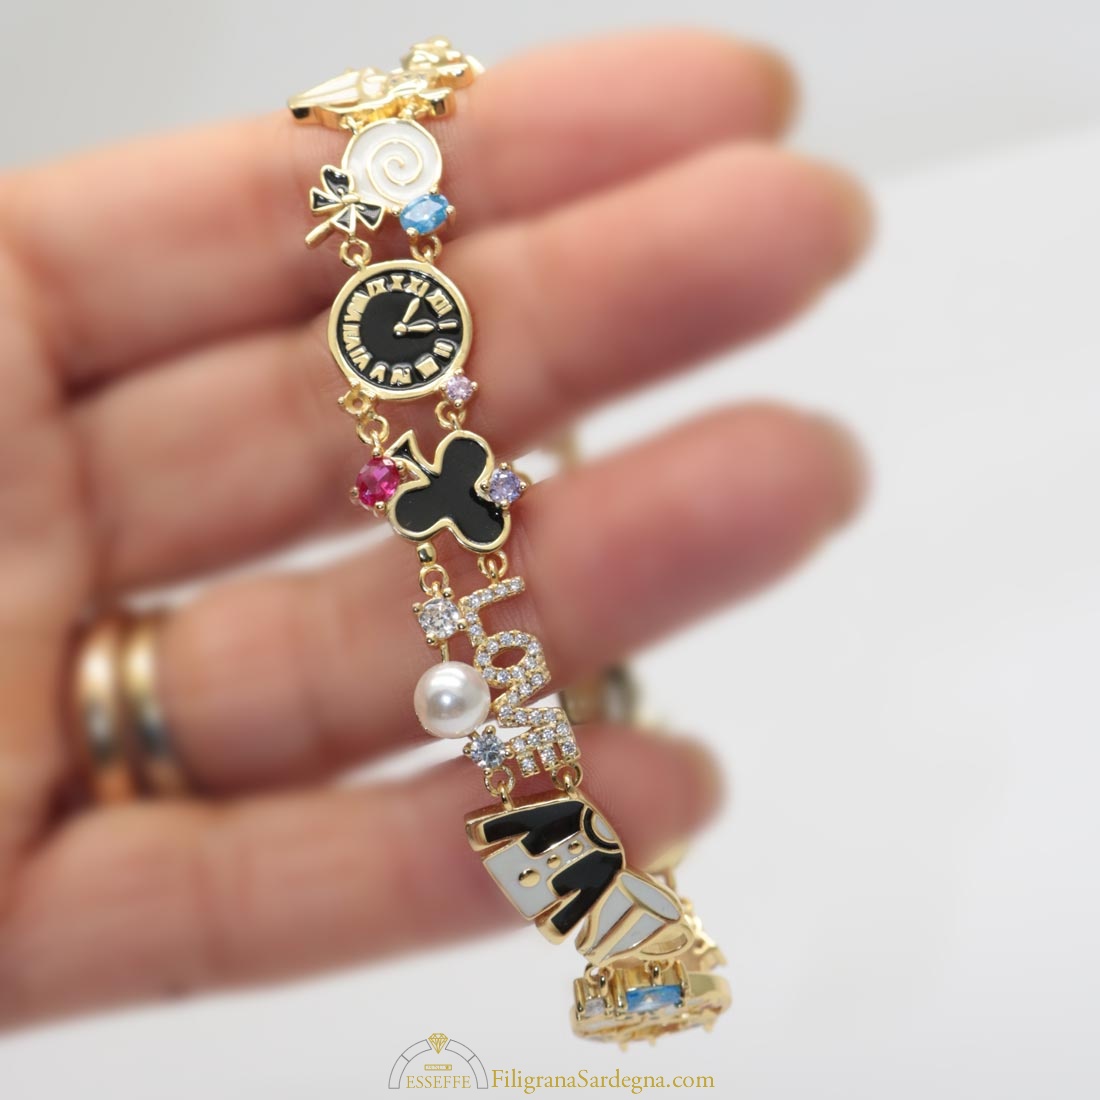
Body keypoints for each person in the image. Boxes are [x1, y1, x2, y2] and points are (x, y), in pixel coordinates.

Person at [0, 29, 869, 1029]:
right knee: (521, 703)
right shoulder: (383, 306)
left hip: (450, 482)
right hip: (442, 485)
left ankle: (633, 957)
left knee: (532, 692)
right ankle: (633, 956)